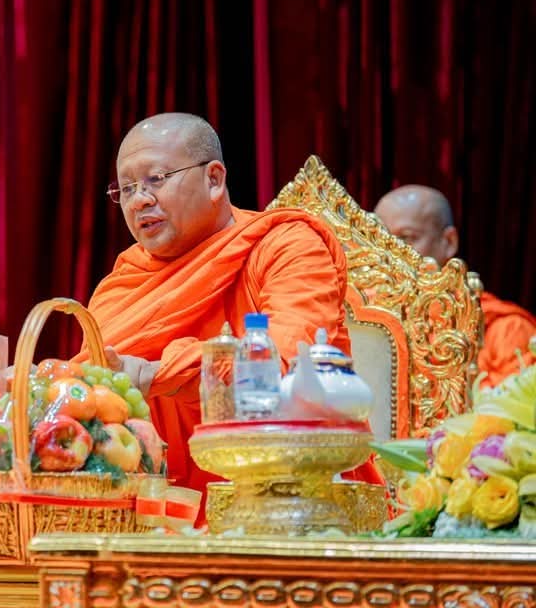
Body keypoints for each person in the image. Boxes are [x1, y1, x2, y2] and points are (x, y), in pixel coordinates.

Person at [77, 113, 378, 513]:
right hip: (159, 514)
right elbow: (91, 401)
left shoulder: (287, 246)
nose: (139, 200)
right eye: (127, 188)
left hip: (292, 503)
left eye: (156, 179)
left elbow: (290, 372)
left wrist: (158, 373)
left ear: (214, 179)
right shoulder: (124, 282)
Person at [374, 185, 536, 387]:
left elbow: (508, 404)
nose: (389, 253)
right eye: (380, 239)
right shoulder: (366, 320)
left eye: (405, 238)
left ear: (449, 242)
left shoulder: (506, 329)